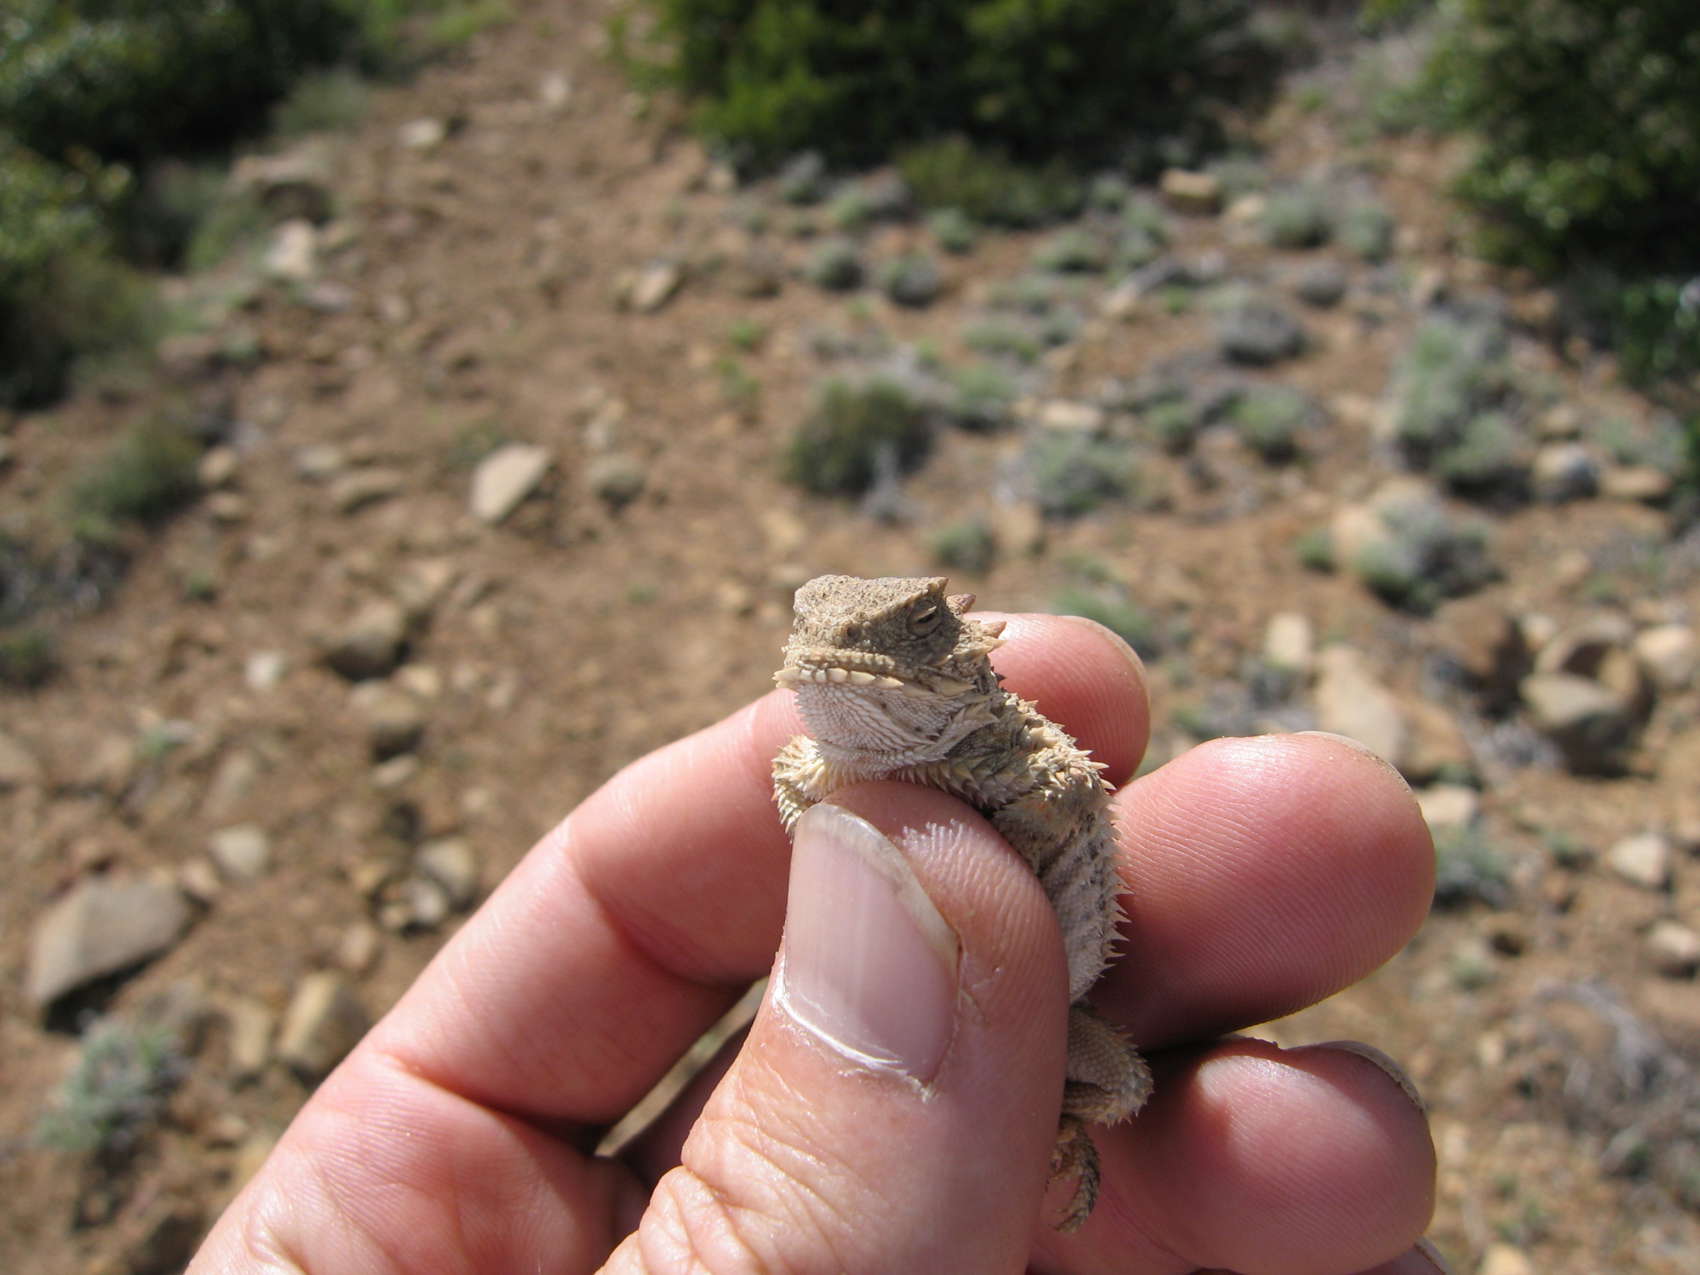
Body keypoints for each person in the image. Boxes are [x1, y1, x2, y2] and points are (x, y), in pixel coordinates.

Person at [189, 612, 1446, 1273]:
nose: (819, 662)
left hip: (1060, 993)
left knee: (1113, 1081)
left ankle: (1049, 1122)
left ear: (947, 661)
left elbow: (1067, 784)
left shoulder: (1004, 744)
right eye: (812, 641)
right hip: (989, 1008)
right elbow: (800, 782)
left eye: (896, 638)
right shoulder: (821, 763)